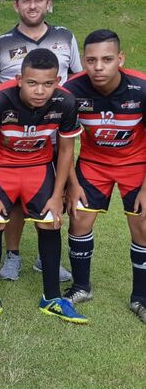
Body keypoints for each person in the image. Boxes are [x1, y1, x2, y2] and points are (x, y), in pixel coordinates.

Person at [0, 48, 87, 325]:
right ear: (19, 79)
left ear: (57, 80)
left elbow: (65, 151)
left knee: (51, 223)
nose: (40, 91)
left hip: (38, 168)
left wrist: (58, 193)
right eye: (33, 83)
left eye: (48, 84)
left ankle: (51, 298)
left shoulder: (66, 101)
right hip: (3, 167)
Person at [0, 0, 82, 282]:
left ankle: (45, 257)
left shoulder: (65, 37)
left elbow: (77, 81)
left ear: (48, 2)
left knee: (55, 197)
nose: (33, 5)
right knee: (11, 200)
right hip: (14, 139)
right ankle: (12, 255)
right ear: (17, 5)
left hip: (56, 133)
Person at [62, 30, 146, 323]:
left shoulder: (142, 87)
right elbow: (64, 143)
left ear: (120, 59)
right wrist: (71, 186)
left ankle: (141, 298)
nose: (99, 67)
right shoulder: (70, 90)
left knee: (143, 226)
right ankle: (81, 287)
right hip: (93, 164)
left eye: (107, 59)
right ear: (83, 61)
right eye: (91, 60)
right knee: (79, 218)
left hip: (136, 164)